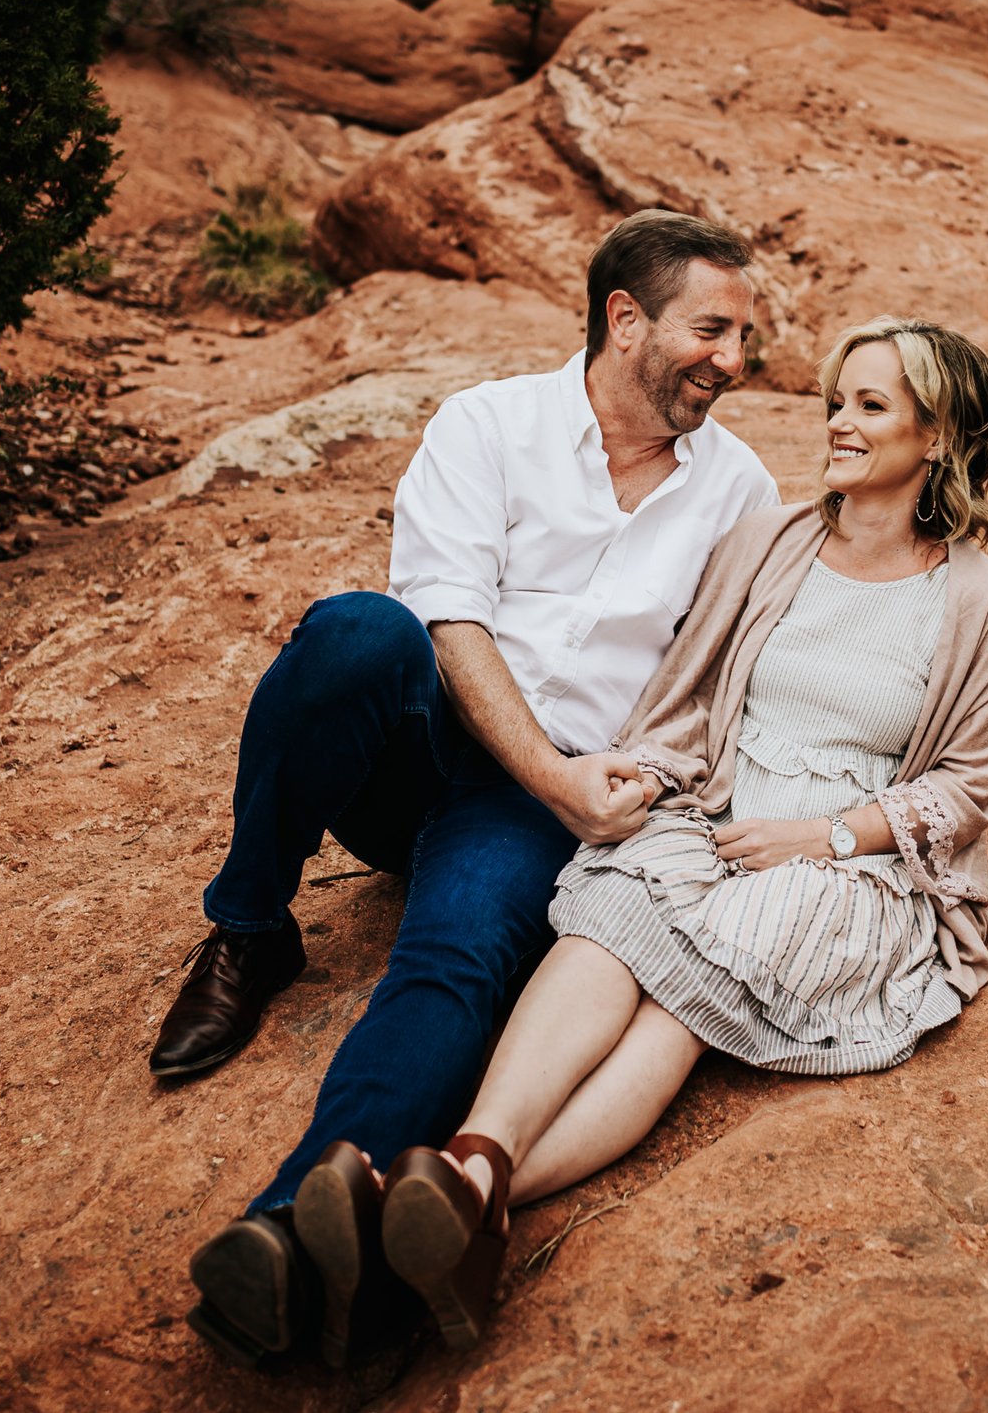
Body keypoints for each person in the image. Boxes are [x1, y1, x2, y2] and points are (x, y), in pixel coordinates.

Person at [166, 209, 779, 1366]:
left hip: (537, 809)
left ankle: (291, 1230)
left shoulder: (739, 488)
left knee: (456, 962)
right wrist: (547, 768)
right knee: (354, 633)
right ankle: (248, 930)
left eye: (743, 337)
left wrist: (614, 785)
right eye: (712, 328)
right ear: (625, 318)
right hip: (432, 740)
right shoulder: (488, 423)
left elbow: (718, 673)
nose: (732, 360)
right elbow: (448, 611)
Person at [372, 318, 988, 1349]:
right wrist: (651, 773)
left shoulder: (977, 598)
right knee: (610, 922)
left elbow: (964, 784)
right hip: (717, 802)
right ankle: (474, 1173)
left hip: (843, 859)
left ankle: (445, 1198)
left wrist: (824, 835)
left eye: (869, 406)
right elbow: (692, 690)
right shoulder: (772, 537)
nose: (838, 425)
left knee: (678, 993)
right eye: (837, 402)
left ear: (937, 435)